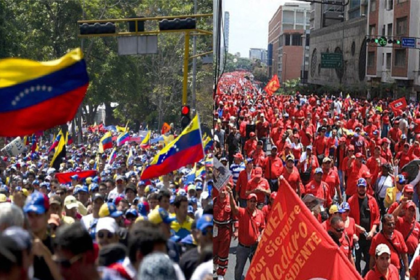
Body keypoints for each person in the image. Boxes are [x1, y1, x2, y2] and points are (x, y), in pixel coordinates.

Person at [226, 184, 265, 280]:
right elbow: (233, 208)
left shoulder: (260, 214)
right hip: (243, 247)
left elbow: (263, 227)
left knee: (256, 269)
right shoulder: (242, 212)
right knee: (239, 269)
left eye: (254, 201)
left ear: (256, 203)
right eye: (250, 201)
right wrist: (231, 194)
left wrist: (260, 237)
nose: (252, 203)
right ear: (247, 202)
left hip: (255, 248)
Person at [23, 192, 61, 280]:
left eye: (38, 215)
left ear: (47, 215)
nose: (34, 220)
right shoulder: (18, 244)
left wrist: (46, 254)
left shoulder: (57, 246)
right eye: (30, 215)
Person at [348, 178, 380, 276]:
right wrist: (357, 228)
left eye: (363, 187)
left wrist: (372, 231)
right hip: (357, 237)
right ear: (357, 188)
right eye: (360, 187)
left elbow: (377, 218)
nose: (362, 189)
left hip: (369, 237)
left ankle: (366, 276)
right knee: (356, 260)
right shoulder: (351, 200)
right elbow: (348, 219)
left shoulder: (372, 200)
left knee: (369, 259)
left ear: (366, 188)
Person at [369, 214, 409, 279]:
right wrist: (372, 272)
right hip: (381, 273)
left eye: (393, 224)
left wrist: (407, 270)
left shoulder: (399, 235)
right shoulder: (376, 239)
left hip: (395, 271)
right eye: (389, 224)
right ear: (383, 224)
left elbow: (404, 254)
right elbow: (373, 257)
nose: (392, 226)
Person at [179, 214, 213, 280]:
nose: (209, 235)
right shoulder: (186, 259)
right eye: (204, 232)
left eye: (211, 231)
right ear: (197, 234)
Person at [213, 186, 234, 279]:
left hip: (226, 229)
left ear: (227, 192)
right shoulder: (214, 201)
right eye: (221, 190)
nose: (222, 192)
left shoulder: (231, 201)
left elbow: (235, 216)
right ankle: (214, 265)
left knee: (223, 253)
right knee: (213, 250)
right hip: (215, 228)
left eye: (224, 190)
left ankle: (221, 274)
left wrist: (236, 230)